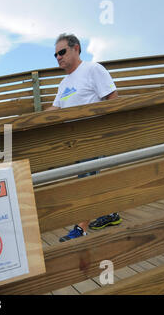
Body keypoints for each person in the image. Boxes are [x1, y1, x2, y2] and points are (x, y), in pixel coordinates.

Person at [46, 33, 122, 242]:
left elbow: (112, 99)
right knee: (91, 178)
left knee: (86, 180)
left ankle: (81, 229)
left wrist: (101, 129)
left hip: (92, 137)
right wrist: (29, 121)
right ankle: (110, 213)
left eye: (62, 52)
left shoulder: (93, 69)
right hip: (75, 141)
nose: (58, 57)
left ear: (76, 48)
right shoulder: (64, 83)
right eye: (55, 55)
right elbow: (55, 109)